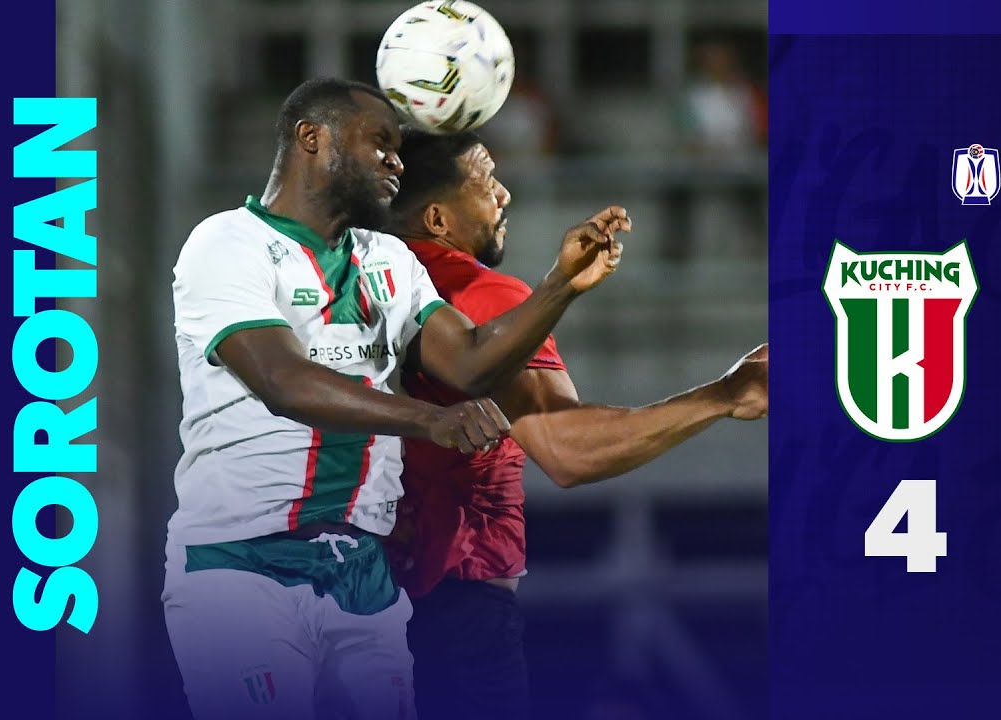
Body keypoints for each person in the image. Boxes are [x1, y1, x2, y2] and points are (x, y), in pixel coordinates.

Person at [162, 77, 630, 720]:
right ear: (311, 138)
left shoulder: (389, 259)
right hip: (242, 564)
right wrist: (427, 419)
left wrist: (559, 286)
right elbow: (281, 380)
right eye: (379, 144)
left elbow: (469, 361)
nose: (397, 162)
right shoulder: (226, 243)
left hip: (362, 572)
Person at [379, 129, 768, 720]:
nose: (504, 194)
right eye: (486, 182)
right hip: (451, 609)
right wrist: (723, 395)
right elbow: (566, 450)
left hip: (351, 604)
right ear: (436, 218)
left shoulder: (349, 284)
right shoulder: (476, 292)